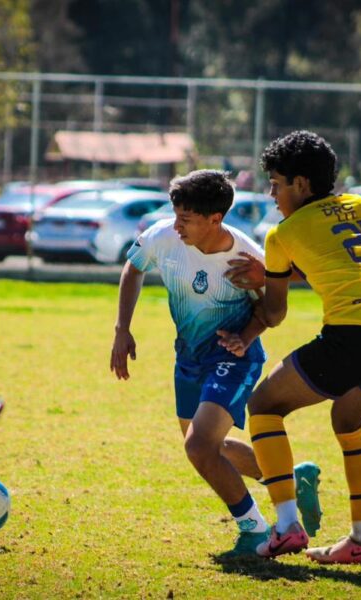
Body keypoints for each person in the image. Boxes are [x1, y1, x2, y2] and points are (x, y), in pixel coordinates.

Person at [227, 131, 361, 563]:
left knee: (264, 407)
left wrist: (264, 286)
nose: (272, 193)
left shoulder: (283, 234)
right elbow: (341, 262)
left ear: (300, 184)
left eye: (276, 183)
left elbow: (275, 314)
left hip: (352, 336)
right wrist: (274, 275)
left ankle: (286, 526)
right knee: (348, 421)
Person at [110, 169, 320, 557]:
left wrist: (247, 335)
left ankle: (255, 530)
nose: (176, 226)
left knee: (199, 446)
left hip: (233, 356)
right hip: (188, 356)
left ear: (214, 219)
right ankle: (290, 482)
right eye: (175, 216)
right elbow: (134, 268)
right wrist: (123, 327)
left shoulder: (246, 257)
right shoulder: (162, 236)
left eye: (185, 219)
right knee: (211, 446)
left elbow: (273, 310)